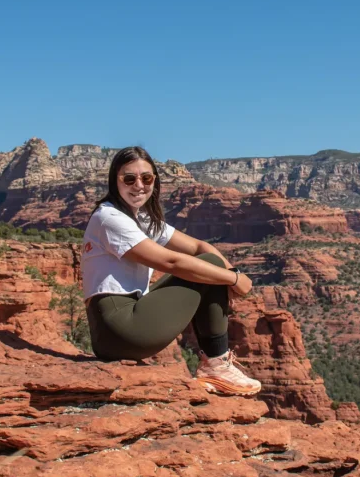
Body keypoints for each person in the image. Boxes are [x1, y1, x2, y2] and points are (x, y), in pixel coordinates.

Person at [81, 146, 262, 396]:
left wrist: (233, 274)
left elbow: (199, 246)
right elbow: (171, 263)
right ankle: (216, 365)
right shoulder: (110, 218)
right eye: (129, 178)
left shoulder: (139, 218)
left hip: (118, 328)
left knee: (210, 264)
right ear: (115, 180)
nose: (139, 185)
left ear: (155, 180)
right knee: (209, 266)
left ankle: (215, 365)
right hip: (121, 328)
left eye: (147, 178)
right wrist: (233, 278)